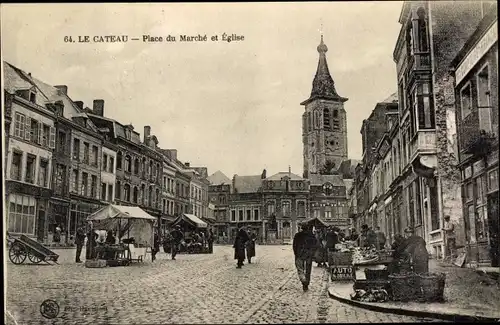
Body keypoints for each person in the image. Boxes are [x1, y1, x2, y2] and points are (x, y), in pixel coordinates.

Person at [293, 223, 318, 292]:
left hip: (299, 255)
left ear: (301, 228)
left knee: (300, 269)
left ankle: (303, 280)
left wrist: (296, 254)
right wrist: (312, 253)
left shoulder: (298, 235)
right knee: (308, 270)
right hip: (309, 256)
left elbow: (294, 246)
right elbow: (315, 245)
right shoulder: (312, 235)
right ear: (308, 228)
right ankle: (306, 284)